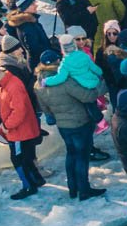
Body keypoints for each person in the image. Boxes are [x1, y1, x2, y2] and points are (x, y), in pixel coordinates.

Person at [34, 44, 107, 200]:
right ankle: (84, 190)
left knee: (71, 154)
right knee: (82, 156)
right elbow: (87, 97)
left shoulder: (39, 84)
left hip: (63, 125)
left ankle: (73, 189)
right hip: (80, 123)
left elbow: (44, 107)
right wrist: (101, 87)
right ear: (57, 60)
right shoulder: (65, 81)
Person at [0, 62, 45, 199]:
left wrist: (7, 125)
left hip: (19, 131)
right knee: (26, 157)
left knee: (18, 159)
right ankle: (36, 179)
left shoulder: (12, 86)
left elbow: (19, 111)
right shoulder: (5, 84)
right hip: (19, 129)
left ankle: (29, 186)